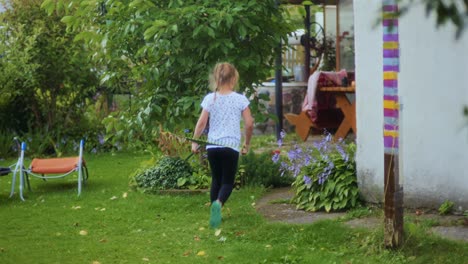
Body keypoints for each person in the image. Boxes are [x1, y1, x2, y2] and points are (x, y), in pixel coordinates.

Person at [191, 62, 254, 228]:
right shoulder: (240, 99)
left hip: (212, 147)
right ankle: (218, 203)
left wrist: (195, 141)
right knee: (227, 182)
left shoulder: (210, 99)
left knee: (216, 180)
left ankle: (215, 215)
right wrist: (246, 144)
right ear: (233, 79)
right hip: (230, 147)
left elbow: (202, 122)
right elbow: (249, 123)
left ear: (216, 79)